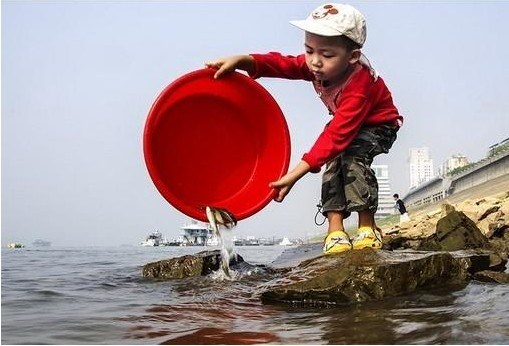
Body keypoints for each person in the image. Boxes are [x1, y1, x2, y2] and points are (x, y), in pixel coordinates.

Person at [205, 3, 403, 254]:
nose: (315, 62)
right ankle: (336, 230)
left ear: (352, 57)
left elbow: (337, 136)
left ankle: (366, 226)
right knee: (333, 163)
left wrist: (295, 173)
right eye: (309, 50)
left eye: (327, 55)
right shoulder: (315, 66)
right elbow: (283, 64)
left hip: (379, 125)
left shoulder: (360, 84)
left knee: (352, 157)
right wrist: (246, 60)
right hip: (344, 121)